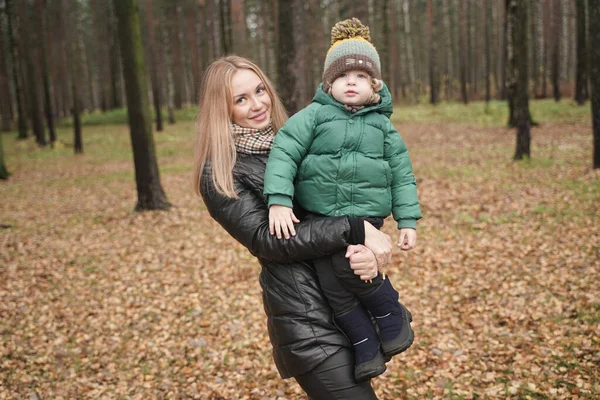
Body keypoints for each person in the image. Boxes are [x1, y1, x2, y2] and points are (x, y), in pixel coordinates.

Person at [194, 55, 395, 399]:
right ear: (221, 109)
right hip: (306, 321)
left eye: (260, 90)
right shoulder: (221, 173)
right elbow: (271, 241)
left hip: (347, 303)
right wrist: (354, 229)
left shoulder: (299, 140)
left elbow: (346, 197)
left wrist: (365, 250)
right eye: (240, 99)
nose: (257, 104)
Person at [264, 18, 422, 382]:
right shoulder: (314, 117)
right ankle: (366, 343)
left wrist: (408, 220)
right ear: (328, 83)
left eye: (361, 76)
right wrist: (279, 200)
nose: (351, 81)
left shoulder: (384, 128)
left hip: (367, 218)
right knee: (332, 288)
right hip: (321, 217)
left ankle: (388, 310)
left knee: (349, 269)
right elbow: (285, 152)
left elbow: (402, 174)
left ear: (375, 86)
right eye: (342, 76)